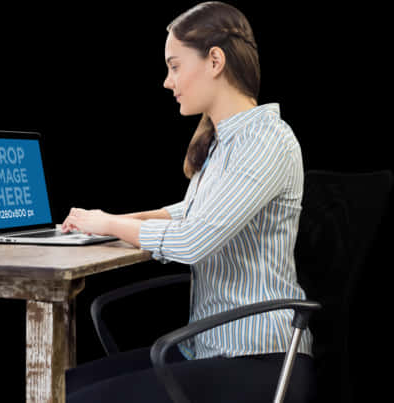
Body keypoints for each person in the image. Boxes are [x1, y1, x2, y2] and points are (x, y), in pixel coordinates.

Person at [60, 2, 316, 402]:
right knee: (61, 387)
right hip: (208, 349)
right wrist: (103, 220)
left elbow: (194, 238)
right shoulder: (225, 142)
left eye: (175, 65)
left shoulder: (266, 139)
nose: (167, 80)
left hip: (258, 357)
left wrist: (110, 225)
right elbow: (190, 214)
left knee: (70, 399)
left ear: (215, 60)